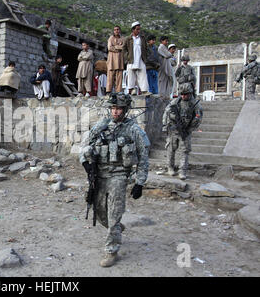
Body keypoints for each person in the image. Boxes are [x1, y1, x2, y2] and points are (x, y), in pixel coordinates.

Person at [80, 92, 150, 268]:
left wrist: (140, 182)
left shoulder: (134, 130)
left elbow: (143, 158)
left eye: (119, 108)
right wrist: (85, 163)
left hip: (119, 175)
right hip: (100, 175)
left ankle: (111, 250)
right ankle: (116, 228)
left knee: (114, 213)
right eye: (113, 108)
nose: (115, 112)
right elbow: (85, 145)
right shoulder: (101, 126)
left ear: (125, 110)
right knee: (99, 211)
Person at [162, 84, 203, 180]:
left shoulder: (195, 104)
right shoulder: (175, 102)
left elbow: (198, 118)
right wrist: (165, 125)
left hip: (186, 131)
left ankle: (182, 171)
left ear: (190, 94)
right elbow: (166, 113)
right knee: (170, 150)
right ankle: (170, 167)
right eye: (182, 94)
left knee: (184, 151)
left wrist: (190, 128)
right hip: (173, 130)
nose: (183, 96)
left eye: (186, 94)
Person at [122, 21, 150, 96]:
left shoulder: (142, 38)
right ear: (133, 30)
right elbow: (124, 49)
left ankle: (144, 91)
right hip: (131, 60)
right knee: (131, 75)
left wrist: (145, 57)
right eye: (137, 29)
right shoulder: (128, 39)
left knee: (143, 75)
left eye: (139, 29)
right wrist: (127, 57)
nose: (138, 31)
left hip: (141, 59)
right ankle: (132, 90)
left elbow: (146, 48)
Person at [106, 26, 125, 93]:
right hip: (112, 60)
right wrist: (118, 48)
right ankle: (108, 91)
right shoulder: (111, 38)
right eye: (115, 30)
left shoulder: (123, 38)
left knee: (119, 77)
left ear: (120, 30)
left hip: (120, 60)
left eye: (117, 29)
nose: (116, 31)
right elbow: (109, 48)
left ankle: (118, 91)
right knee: (110, 76)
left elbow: (124, 47)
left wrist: (115, 47)